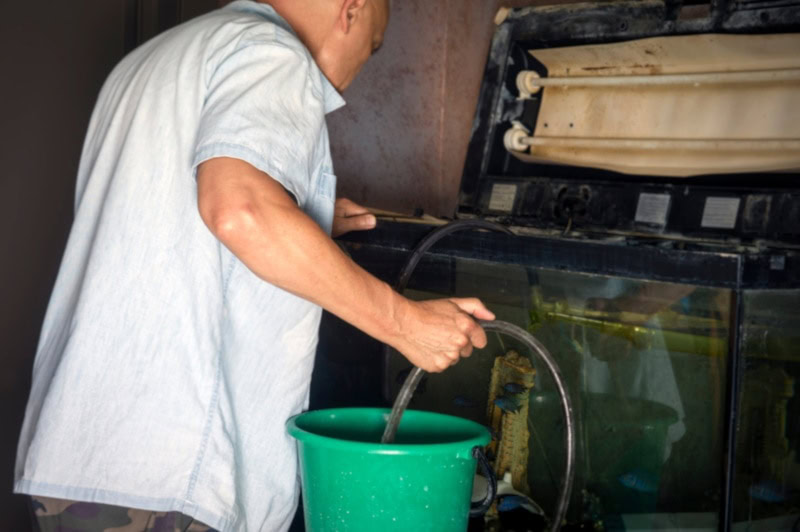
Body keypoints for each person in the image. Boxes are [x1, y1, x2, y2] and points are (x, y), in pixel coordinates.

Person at [14, 1, 494, 530]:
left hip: (77, 461)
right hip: (171, 478)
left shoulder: (151, 59)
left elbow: (166, 220)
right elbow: (240, 212)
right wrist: (405, 323)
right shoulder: (273, 52)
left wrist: (295, 211)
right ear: (351, 11)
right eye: (373, 45)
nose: (360, 69)